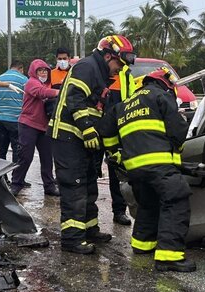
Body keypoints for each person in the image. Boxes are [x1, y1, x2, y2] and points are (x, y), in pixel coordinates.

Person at [97, 67, 196, 272]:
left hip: (134, 168)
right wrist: (177, 150)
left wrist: (116, 155)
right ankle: (169, 257)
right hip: (158, 163)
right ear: (165, 83)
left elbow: (105, 129)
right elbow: (178, 129)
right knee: (176, 199)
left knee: (148, 203)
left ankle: (142, 244)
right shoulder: (160, 95)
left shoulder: (125, 104)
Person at [48, 35, 136, 254]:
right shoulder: (87, 67)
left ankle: (89, 230)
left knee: (88, 185)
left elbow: (98, 111)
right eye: (118, 64)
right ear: (108, 56)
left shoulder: (101, 72)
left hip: (82, 140)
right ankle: (72, 239)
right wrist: (87, 129)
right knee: (75, 187)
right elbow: (74, 98)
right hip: (68, 137)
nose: (119, 70)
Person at [10, 59, 60, 197]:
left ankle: (49, 186)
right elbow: (41, 92)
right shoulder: (32, 82)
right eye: (40, 70)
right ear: (33, 72)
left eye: (45, 70)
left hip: (44, 126)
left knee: (47, 158)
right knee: (25, 156)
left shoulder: (46, 84)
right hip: (28, 124)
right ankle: (16, 184)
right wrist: (59, 92)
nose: (43, 73)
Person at [105, 64, 136, 226]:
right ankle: (85, 215)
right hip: (94, 127)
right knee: (87, 172)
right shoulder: (96, 73)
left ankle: (119, 211)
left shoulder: (127, 76)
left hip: (117, 131)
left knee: (117, 171)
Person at [0, 60, 28, 162]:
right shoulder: (24, 80)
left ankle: (0, 177)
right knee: (17, 150)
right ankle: (16, 176)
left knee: (1, 149)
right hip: (17, 120)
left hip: (1, 119)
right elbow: (27, 100)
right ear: (21, 69)